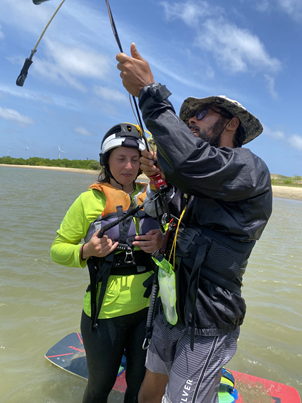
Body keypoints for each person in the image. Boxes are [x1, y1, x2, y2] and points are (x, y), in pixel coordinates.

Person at [116, 44, 273, 403]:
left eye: (201, 114)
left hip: (207, 320)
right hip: (172, 308)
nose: (192, 121)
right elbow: (178, 205)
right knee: (149, 389)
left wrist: (149, 95)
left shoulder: (250, 169)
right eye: (189, 118)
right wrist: (160, 185)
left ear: (232, 122)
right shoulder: (196, 180)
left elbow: (191, 162)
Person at [50, 122, 164, 403]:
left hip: (147, 313)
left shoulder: (151, 197)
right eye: (120, 159)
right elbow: (57, 250)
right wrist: (86, 250)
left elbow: (176, 243)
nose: (128, 166)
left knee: (137, 388)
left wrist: (161, 241)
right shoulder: (88, 200)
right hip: (104, 316)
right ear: (107, 160)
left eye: (135, 159)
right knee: (100, 387)